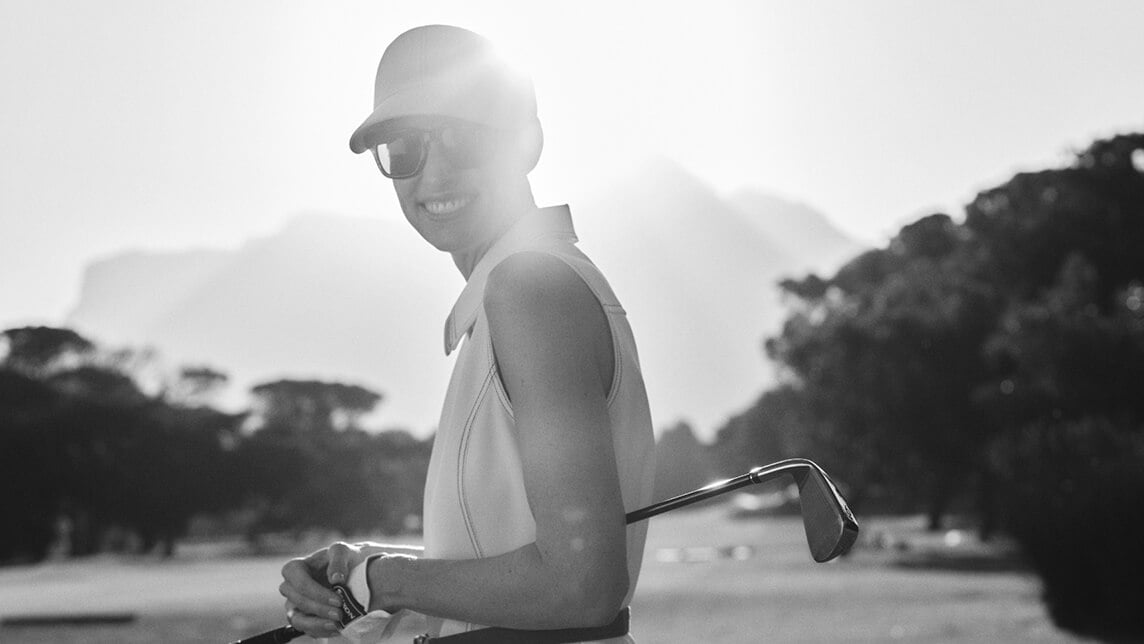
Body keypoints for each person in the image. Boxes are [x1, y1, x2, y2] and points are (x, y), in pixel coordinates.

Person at [277, 24, 655, 643]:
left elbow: (581, 586)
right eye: (404, 148)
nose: (435, 174)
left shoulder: (528, 288)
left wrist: (387, 581)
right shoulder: (513, 292)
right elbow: (519, 558)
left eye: (464, 137)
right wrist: (362, 571)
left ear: (526, 141)